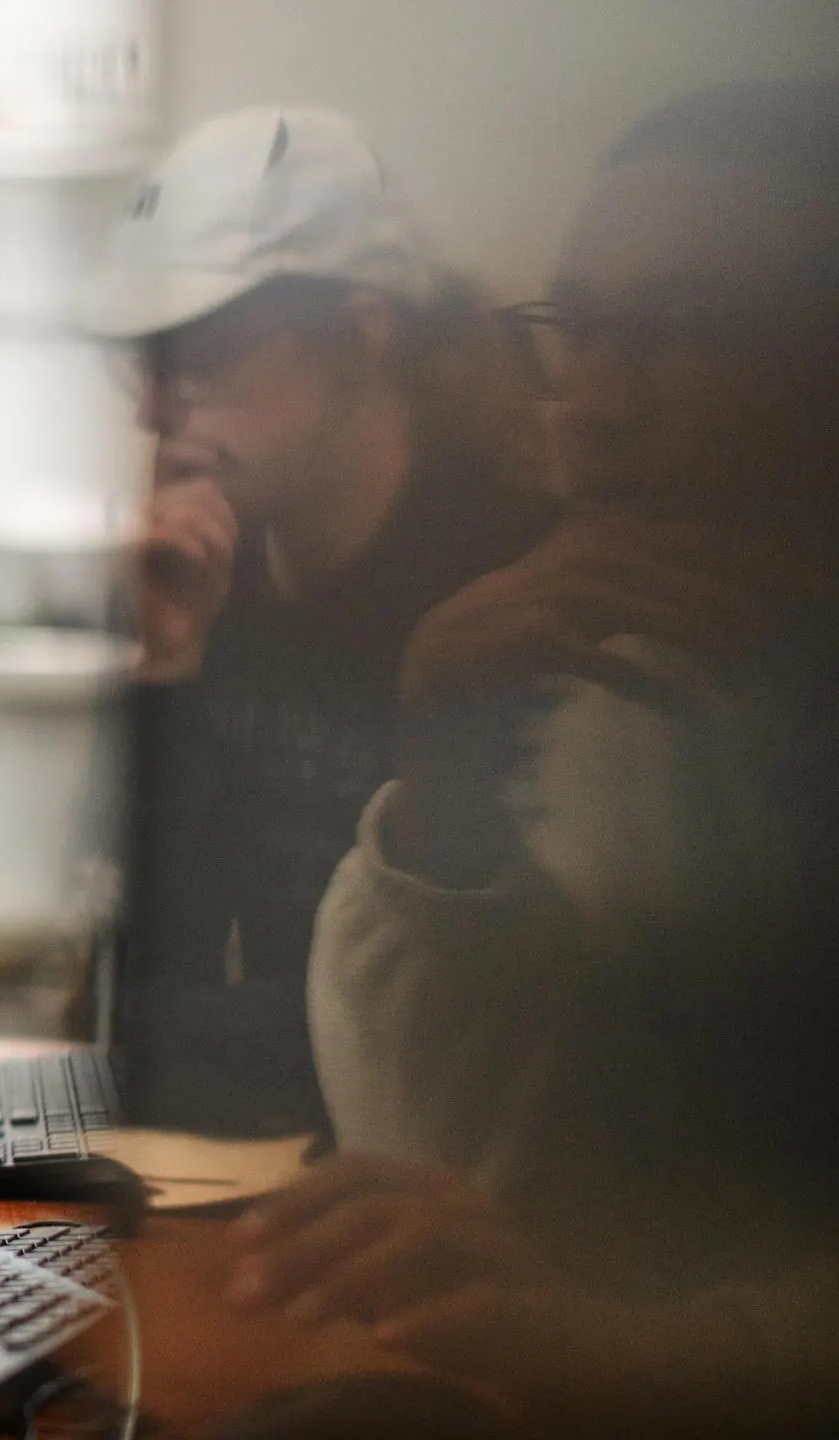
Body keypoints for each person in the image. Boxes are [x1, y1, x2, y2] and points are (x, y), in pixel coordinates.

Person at [226, 82, 839, 1436]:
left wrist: (633, 1356)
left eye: (682, 335)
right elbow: (444, 1175)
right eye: (583, 332)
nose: (597, 407)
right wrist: (444, 791)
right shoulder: (608, 656)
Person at [76, 107, 555, 1137]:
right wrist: (165, 668)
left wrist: (188, 1036)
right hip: (272, 1175)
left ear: (358, 338)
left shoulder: (504, 584)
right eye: (140, 366)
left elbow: (493, 1034)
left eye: (198, 353)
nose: (153, 412)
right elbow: (128, 1009)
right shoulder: (220, 570)